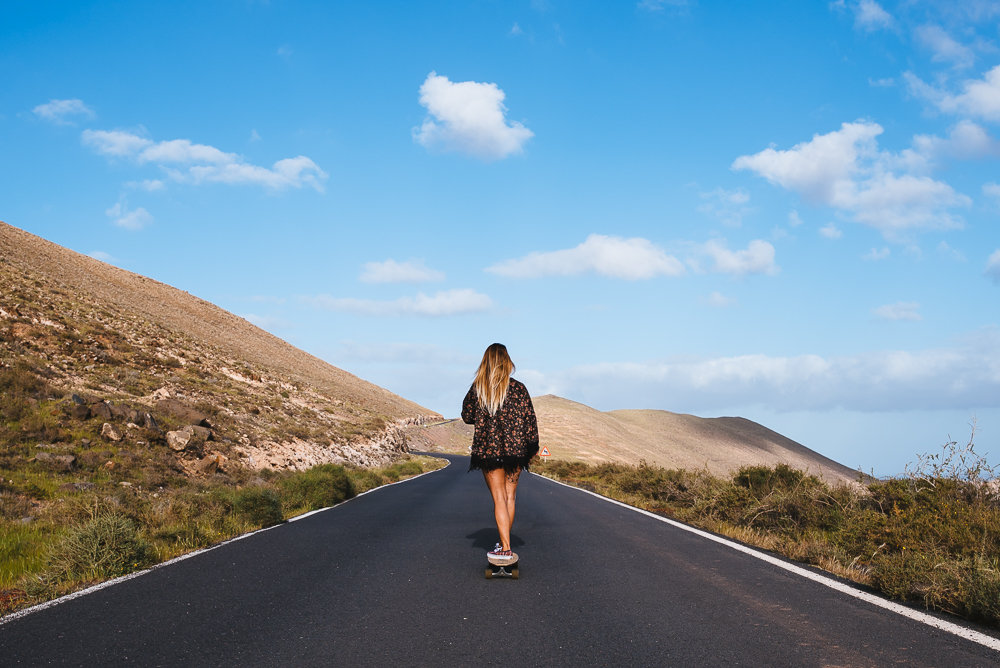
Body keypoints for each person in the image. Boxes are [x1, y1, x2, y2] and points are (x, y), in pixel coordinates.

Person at [462, 343, 539, 563]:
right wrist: (532, 447)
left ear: (485, 362)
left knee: (498, 499)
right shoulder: (519, 389)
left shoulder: (479, 389)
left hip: (489, 451)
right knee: (510, 497)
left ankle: (505, 548)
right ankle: (505, 544)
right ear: (507, 362)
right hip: (516, 452)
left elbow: (467, 415)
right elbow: (530, 421)